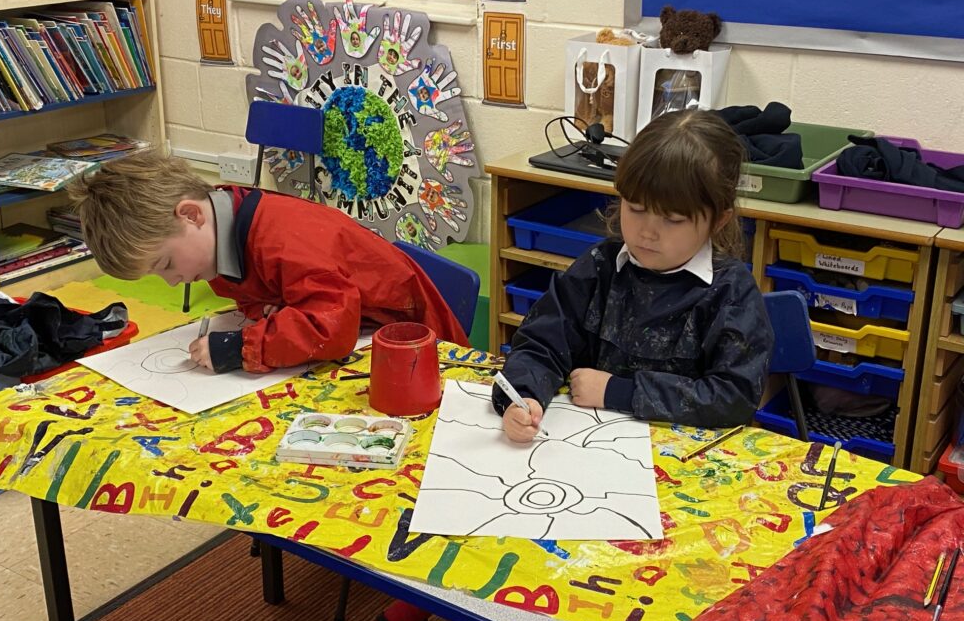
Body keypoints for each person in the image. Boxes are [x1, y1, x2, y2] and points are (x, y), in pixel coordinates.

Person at [496, 109, 773, 443]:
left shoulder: (730, 294)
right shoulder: (600, 267)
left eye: (672, 219)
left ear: (718, 220)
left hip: (682, 465)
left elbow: (734, 398)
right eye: (636, 209)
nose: (647, 233)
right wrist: (523, 395)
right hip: (586, 446)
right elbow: (541, 342)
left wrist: (620, 392)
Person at [67, 150, 468, 372]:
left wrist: (239, 347)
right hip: (361, 336)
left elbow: (330, 325)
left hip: (415, 345)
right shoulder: (217, 239)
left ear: (191, 215)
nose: (173, 283)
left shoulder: (282, 238)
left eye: (165, 264)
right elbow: (269, 296)